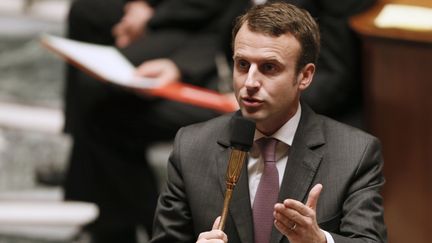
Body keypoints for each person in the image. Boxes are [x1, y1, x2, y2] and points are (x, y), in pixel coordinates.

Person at [150, 2, 387, 243]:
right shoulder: (191, 146)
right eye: (242, 65)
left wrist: (319, 241)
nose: (250, 82)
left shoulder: (355, 153)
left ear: (304, 76)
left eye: (269, 67)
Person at [62, 0, 245, 243]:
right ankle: (116, 211)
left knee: (102, 105)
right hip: (208, 37)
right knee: (87, 14)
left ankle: (147, 223)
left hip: (206, 35)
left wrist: (153, 19)